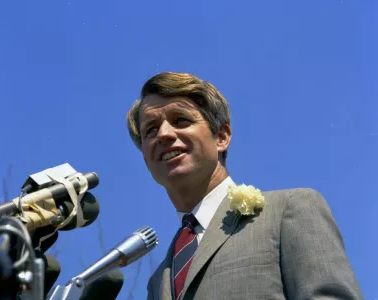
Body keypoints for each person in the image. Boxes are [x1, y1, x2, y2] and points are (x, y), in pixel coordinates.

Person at [126, 72, 362, 300]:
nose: (164, 134)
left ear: (221, 137)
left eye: (181, 120)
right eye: (151, 130)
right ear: (145, 158)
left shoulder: (288, 210)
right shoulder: (158, 282)